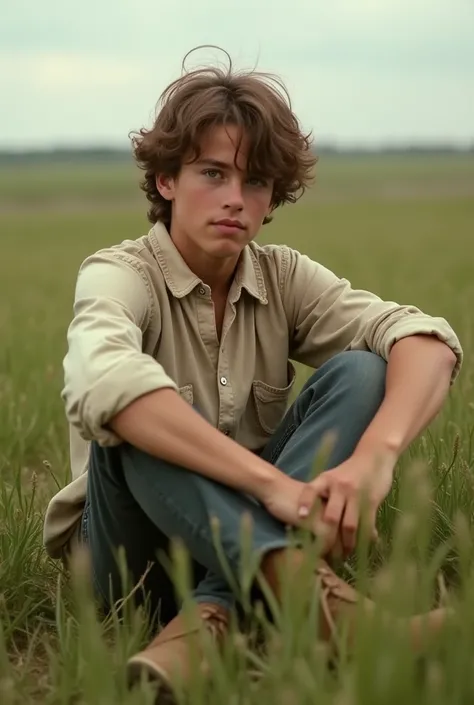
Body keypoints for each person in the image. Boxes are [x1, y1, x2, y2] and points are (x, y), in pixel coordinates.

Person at [43, 47, 462, 695]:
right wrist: (272, 485)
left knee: (360, 369)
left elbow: (427, 339)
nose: (236, 200)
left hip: (244, 532)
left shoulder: (284, 276)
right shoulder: (119, 273)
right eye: (213, 173)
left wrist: (375, 456)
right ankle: (336, 618)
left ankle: (205, 622)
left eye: (256, 182)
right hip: (128, 566)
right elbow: (104, 383)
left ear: (273, 198)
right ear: (166, 181)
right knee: (135, 413)